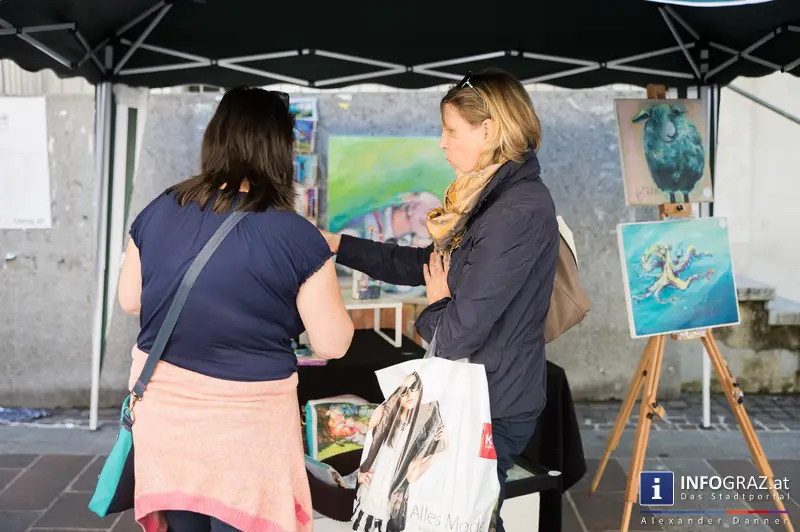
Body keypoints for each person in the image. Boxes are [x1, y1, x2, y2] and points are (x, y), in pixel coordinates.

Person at [321, 69, 559, 532]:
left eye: (451, 130)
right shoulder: (491, 199)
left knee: (461, 517)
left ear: (488, 130)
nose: (442, 143)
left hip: (490, 403)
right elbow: (421, 264)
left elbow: (455, 334)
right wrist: (338, 245)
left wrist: (435, 305)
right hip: (478, 394)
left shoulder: (514, 211)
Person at [117, 86, 354, 532]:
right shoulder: (295, 234)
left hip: (167, 418)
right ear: (279, 149)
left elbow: (131, 300)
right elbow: (332, 343)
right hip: (248, 429)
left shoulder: (161, 207)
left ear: (216, 138)